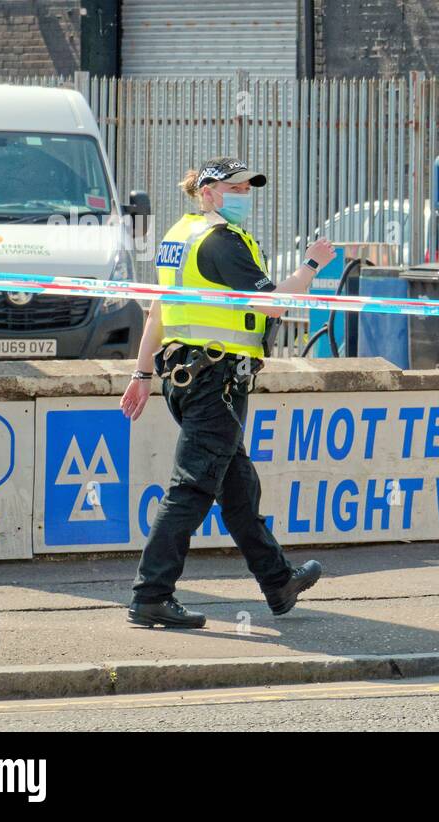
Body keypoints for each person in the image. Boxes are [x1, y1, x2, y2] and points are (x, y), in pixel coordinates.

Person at [120, 157, 338, 628]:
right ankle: (150, 595)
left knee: (238, 488)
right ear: (208, 192)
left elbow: (158, 311)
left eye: (248, 187)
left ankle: (278, 583)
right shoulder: (221, 241)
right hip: (214, 380)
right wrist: (311, 266)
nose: (245, 194)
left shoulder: (180, 236)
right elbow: (271, 303)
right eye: (236, 187)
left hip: (187, 375)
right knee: (192, 488)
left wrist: (142, 374)